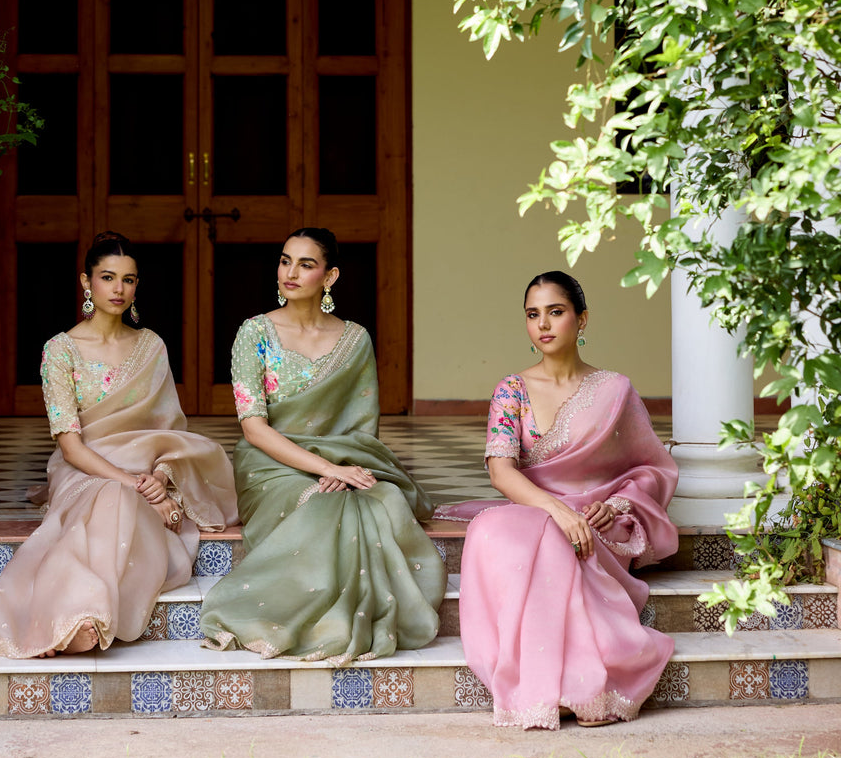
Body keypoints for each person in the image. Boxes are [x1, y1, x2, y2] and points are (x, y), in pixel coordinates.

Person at [0, 231, 237, 659]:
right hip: (82, 466)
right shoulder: (61, 351)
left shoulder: (151, 346)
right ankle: (68, 617)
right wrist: (135, 485)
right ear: (86, 282)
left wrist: (159, 478)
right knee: (112, 496)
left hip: (140, 468)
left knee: (118, 501)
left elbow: (170, 431)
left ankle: (84, 616)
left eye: (129, 280)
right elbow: (71, 447)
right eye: (108, 277)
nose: (119, 289)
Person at [439, 271, 679, 729]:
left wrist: (619, 505)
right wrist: (556, 510)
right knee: (491, 529)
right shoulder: (512, 390)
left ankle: (585, 684)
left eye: (556, 312)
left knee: (557, 540)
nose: (543, 325)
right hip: (537, 509)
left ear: (581, 319)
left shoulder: (615, 391)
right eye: (533, 315)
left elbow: (651, 468)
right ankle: (553, 686)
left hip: (596, 521)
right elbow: (500, 469)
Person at [199, 227, 445, 663]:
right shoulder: (253, 333)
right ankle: (317, 621)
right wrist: (326, 470)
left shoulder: (355, 340)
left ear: (329, 277)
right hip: (268, 463)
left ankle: (346, 618)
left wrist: (342, 466)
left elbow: (360, 429)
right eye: (285, 260)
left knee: (376, 499)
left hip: (341, 458)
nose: (290, 273)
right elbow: (253, 428)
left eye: (305, 264)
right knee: (326, 501)